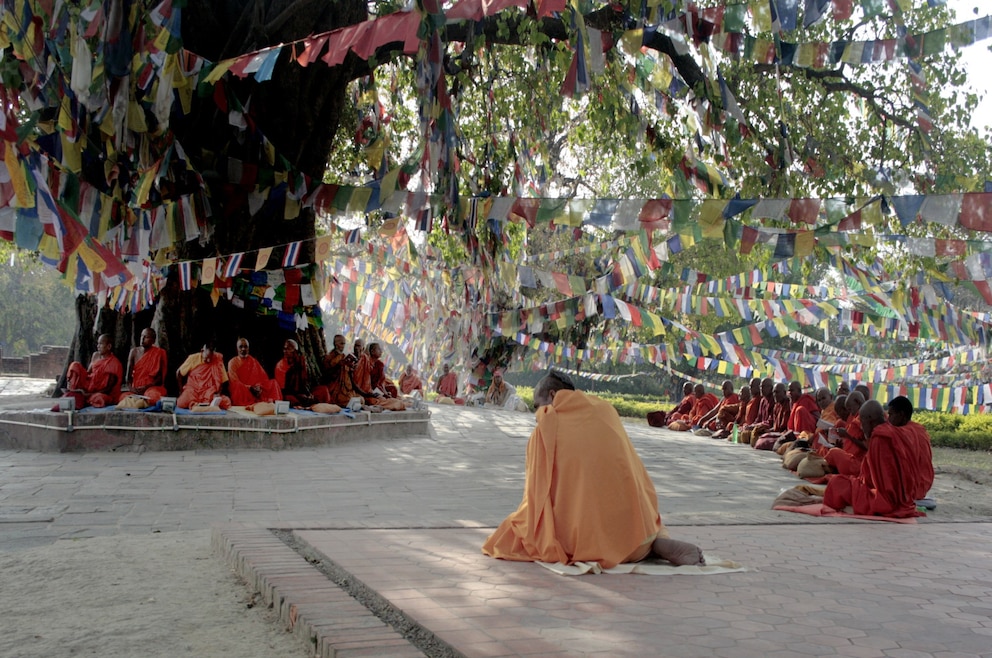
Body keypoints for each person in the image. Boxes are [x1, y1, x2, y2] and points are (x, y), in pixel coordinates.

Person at [482, 371, 705, 569]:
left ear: (552, 396)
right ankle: (653, 543)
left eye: (538, 406)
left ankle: (630, 545)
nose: (537, 415)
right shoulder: (604, 409)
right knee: (641, 524)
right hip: (638, 529)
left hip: (591, 539)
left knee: (515, 531)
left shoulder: (547, 427)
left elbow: (537, 496)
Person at [823, 400, 934, 518]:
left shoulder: (881, 436)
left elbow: (879, 483)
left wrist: (858, 483)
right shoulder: (904, 431)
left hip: (889, 500)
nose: (861, 426)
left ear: (870, 419)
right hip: (910, 493)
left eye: (862, 422)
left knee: (836, 483)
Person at [885, 396, 935, 503]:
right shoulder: (920, 429)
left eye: (891, 414)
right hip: (924, 485)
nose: (888, 419)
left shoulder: (902, 433)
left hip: (911, 488)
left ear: (901, 415)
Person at [61, 333, 123, 409]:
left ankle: (83, 396)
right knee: (75, 365)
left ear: (109, 346)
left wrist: (89, 394)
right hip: (90, 385)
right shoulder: (95, 355)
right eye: (98, 343)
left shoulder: (114, 363)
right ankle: (73, 389)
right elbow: (88, 374)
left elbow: (108, 388)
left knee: (98, 398)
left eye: (101, 344)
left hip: (101, 392)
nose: (98, 346)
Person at [227, 338, 281, 407]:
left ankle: (275, 404)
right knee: (237, 386)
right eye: (241, 347)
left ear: (248, 349)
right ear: (237, 349)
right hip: (243, 391)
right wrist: (250, 388)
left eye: (245, 347)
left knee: (273, 383)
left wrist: (259, 387)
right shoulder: (232, 362)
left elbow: (263, 378)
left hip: (255, 391)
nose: (243, 349)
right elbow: (234, 381)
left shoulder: (253, 361)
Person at [176, 342, 231, 410]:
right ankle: (197, 404)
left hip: (208, 391)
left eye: (210, 358)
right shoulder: (193, 358)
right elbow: (178, 373)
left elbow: (221, 380)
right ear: (202, 351)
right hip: (193, 390)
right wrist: (181, 391)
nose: (208, 360)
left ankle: (199, 405)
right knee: (181, 402)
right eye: (207, 358)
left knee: (226, 401)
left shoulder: (217, 359)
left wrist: (218, 394)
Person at [121, 328, 168, 403]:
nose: (142, 339)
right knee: (123, 397)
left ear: (153, 340)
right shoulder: (134, 352)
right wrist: (132, 389)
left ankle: (141, 402)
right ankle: (140, 402)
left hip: (151, 387)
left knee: (153, 396)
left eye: (146, 337)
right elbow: (128, 377)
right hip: (136, 388)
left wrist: (146, 387)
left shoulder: (159, 353)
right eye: (141, 336)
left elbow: (160, 378)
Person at [825, 391, 867, 475]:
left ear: (858, 402)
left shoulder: (864, 418)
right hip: (850, 458)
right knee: (831, 450)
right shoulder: (855, 418)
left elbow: (867, 446)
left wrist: (847, 435)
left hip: (859, 464)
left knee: (833, 453)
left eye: (850, 409)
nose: (850, 413)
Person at [274, 339, 316, 407]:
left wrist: (308, 394)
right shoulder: (280, 365)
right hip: (288, 394)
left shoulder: (301, 362)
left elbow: (305, 382)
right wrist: (299, 395)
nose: (285, 351)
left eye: (289, 349)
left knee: (323, 391)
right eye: (284, 349)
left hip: (301, 393)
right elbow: (282, 389)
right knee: (290, 399)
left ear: (295, 351)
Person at [740, 377, 774, 445]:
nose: (761, 389)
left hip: (768, 430)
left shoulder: (773, 400)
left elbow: (771, 421)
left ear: (771, 388)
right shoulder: (762, 400)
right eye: (760, 386)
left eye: (763, 387)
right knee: (743, 434)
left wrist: (755, 426)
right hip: (759, 428)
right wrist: (752, 425)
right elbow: (758, 418)